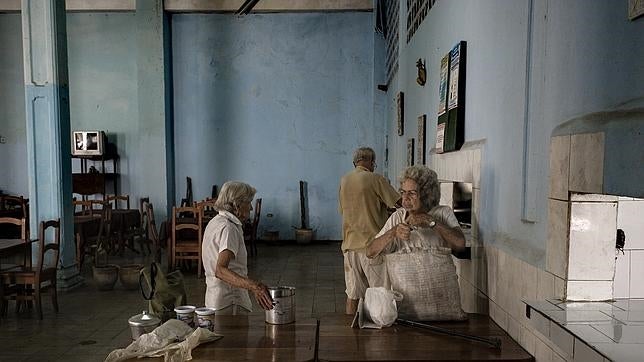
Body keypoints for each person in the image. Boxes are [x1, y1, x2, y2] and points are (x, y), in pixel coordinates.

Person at [339, 147, 400, 315]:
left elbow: (349, 210)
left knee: (353, 294)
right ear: (370, 160)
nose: (374, 166)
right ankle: (380, 333)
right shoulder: (375, 179)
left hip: (349, 247)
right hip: (372, 247)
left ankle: (352, 335)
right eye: (374, 162)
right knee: (380, 294)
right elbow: (400, 202)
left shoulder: (344, 180)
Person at [202, 181, 273, 314]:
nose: (251, 208)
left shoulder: (215, 222)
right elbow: (220, 270)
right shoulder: (229, 228)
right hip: (230, 302)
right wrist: (254, 286)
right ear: (237, 205)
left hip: (215, 299)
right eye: (248, 203)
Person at [367, 164, 465, 259]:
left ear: (427, 194)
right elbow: (370, 252)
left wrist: (431, 222)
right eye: (403, 192)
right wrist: (393, 232)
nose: (405, 198)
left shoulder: (443, 213)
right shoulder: (398, 216)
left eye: (412, 193)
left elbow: (460, 245)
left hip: (438, 274)